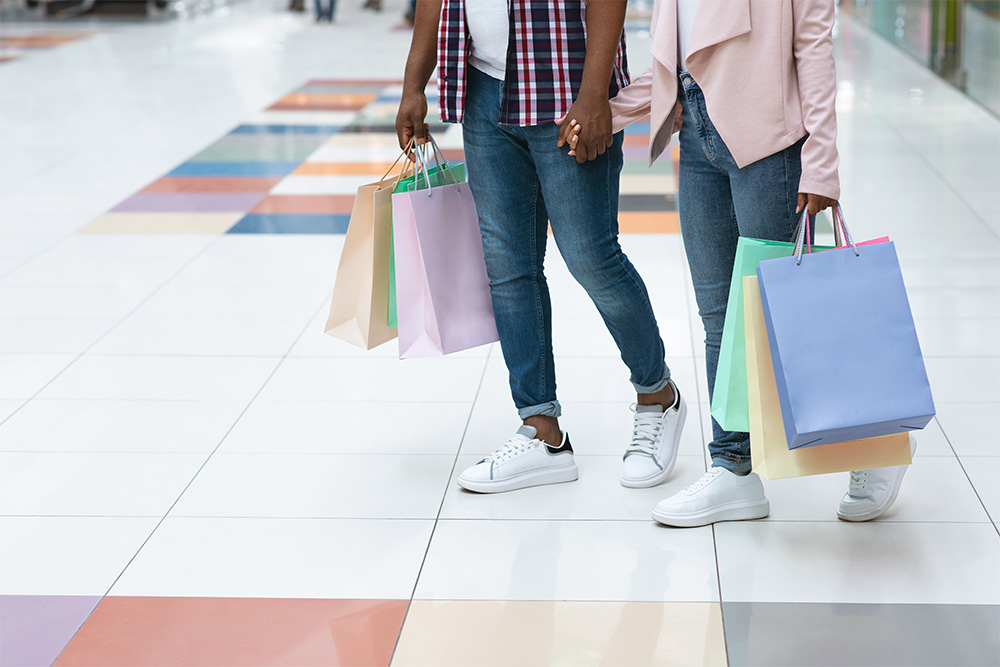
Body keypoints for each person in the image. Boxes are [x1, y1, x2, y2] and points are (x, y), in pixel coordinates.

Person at [589, 0, 915, 526]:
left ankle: (875, 443)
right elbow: (682, 63)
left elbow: (812, 49)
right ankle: (734, 470)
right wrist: (608, 111)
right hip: (697, 140)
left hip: (771, 146)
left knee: (789, 313)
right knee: (720, 316)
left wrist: (823, 166)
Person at [395, 0, 687, 494]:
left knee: (591, 256)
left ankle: (657, 395)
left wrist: (595, 93)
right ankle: (541, 429)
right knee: (508, 268)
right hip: (482, 89)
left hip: (567, 86)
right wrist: (412, 84)